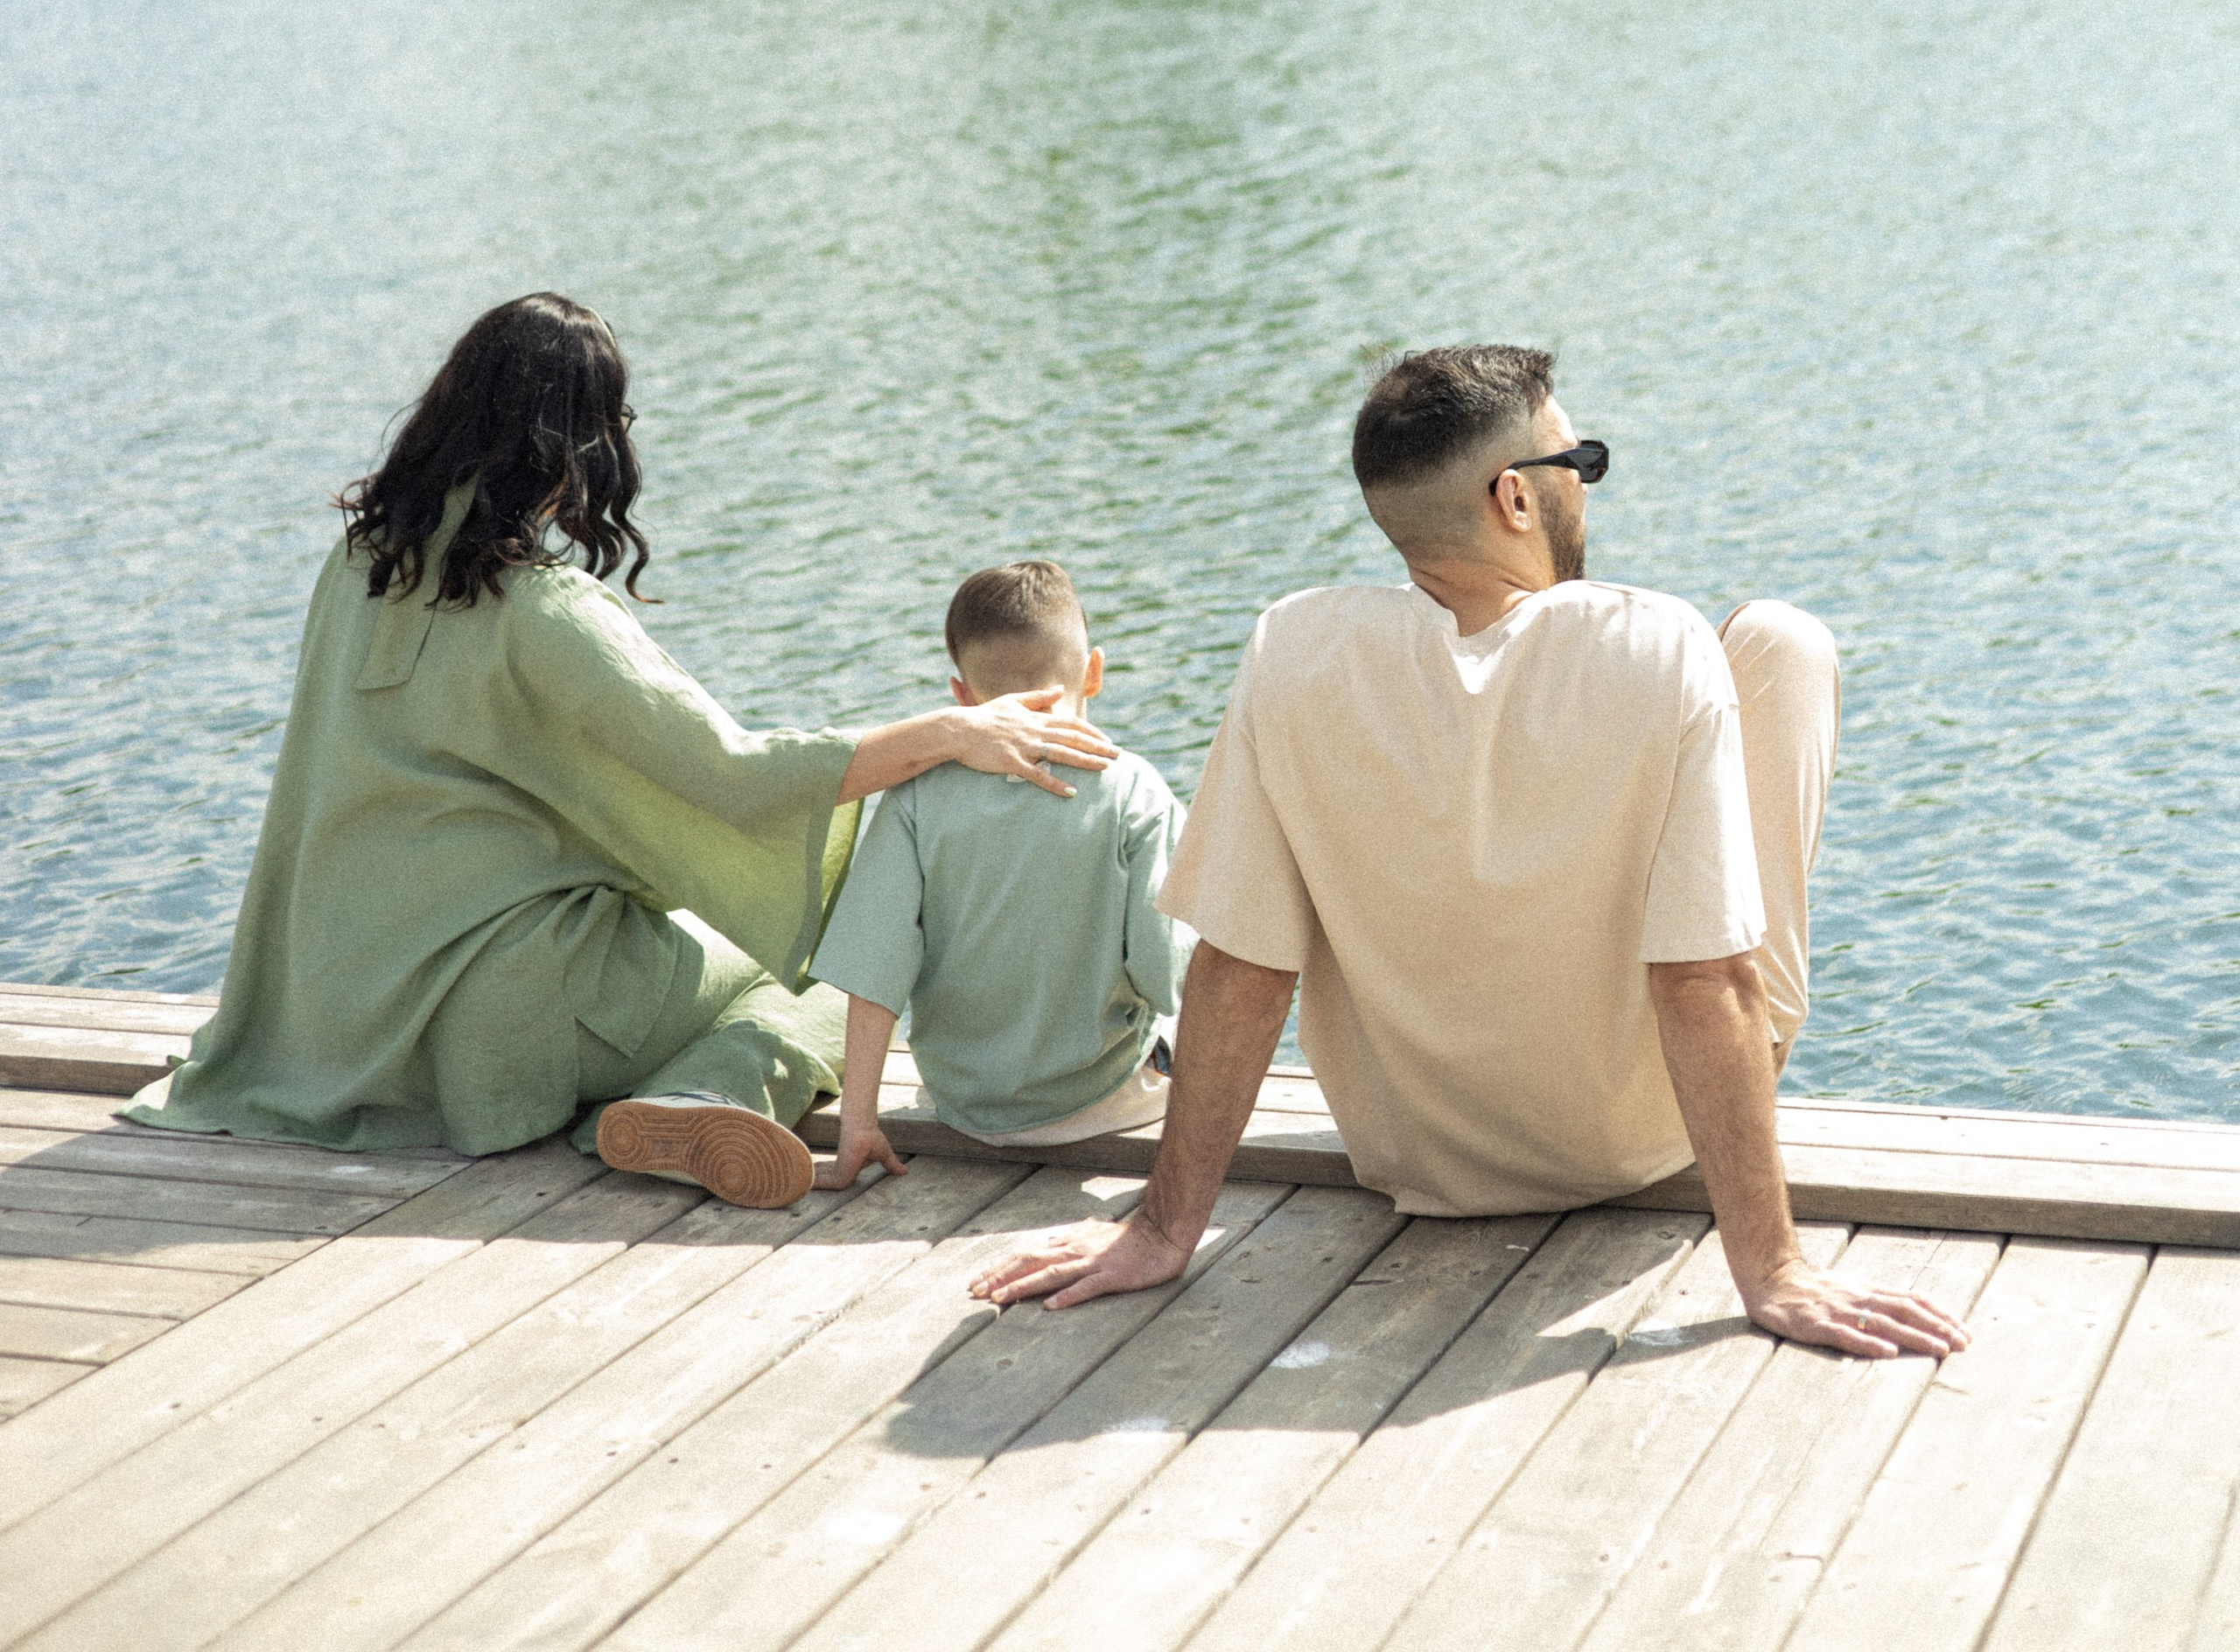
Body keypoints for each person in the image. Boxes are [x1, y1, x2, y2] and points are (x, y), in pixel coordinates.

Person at [972, 344, 1969, 1361]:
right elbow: (1704, 976)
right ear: (1516, 499)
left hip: (1414, 1154)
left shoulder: (1294, 646)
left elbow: (1239, 965)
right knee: (1780, 644)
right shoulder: (1660, 644)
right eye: (1576, 465)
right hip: (1638, 1141)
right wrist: (1773, 1269)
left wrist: (1160, 1227)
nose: (1585, 490)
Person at [123, 294, 1113, 1210]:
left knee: (722, 924)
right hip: (491, 1027)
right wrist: (950, 731)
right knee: (808, 961)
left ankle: (671, 1094)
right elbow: (735, 777)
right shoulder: (544, 614)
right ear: (575, 448)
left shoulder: (356, 567)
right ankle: (696, 1098)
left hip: (330, 1021)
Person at [811, 558, 1186, 1186]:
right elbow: (1166, 972)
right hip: (1105, 1101)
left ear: (961, 696)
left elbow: (873, 973)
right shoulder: (1132, 787)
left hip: (963, 1106)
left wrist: (858, 1124)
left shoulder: (915, 798)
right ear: (1093, 672)